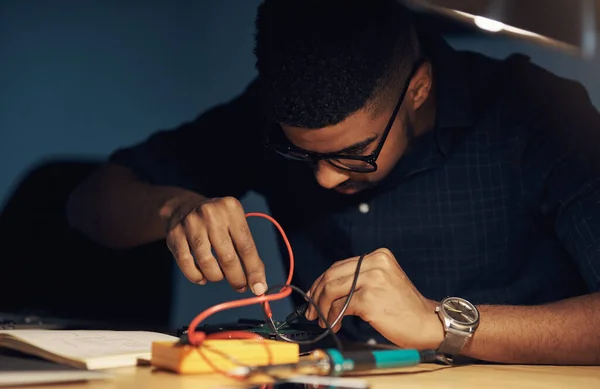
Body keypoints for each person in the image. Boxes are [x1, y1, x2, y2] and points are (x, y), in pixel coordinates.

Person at [66, 0, 600, 365]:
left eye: (354, 154)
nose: (322, 178)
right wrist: (172, 210)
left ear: (418, 89)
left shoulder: (537, 114)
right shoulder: (273, 111)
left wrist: (444, 324)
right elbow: (88, 203)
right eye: (296, 152)